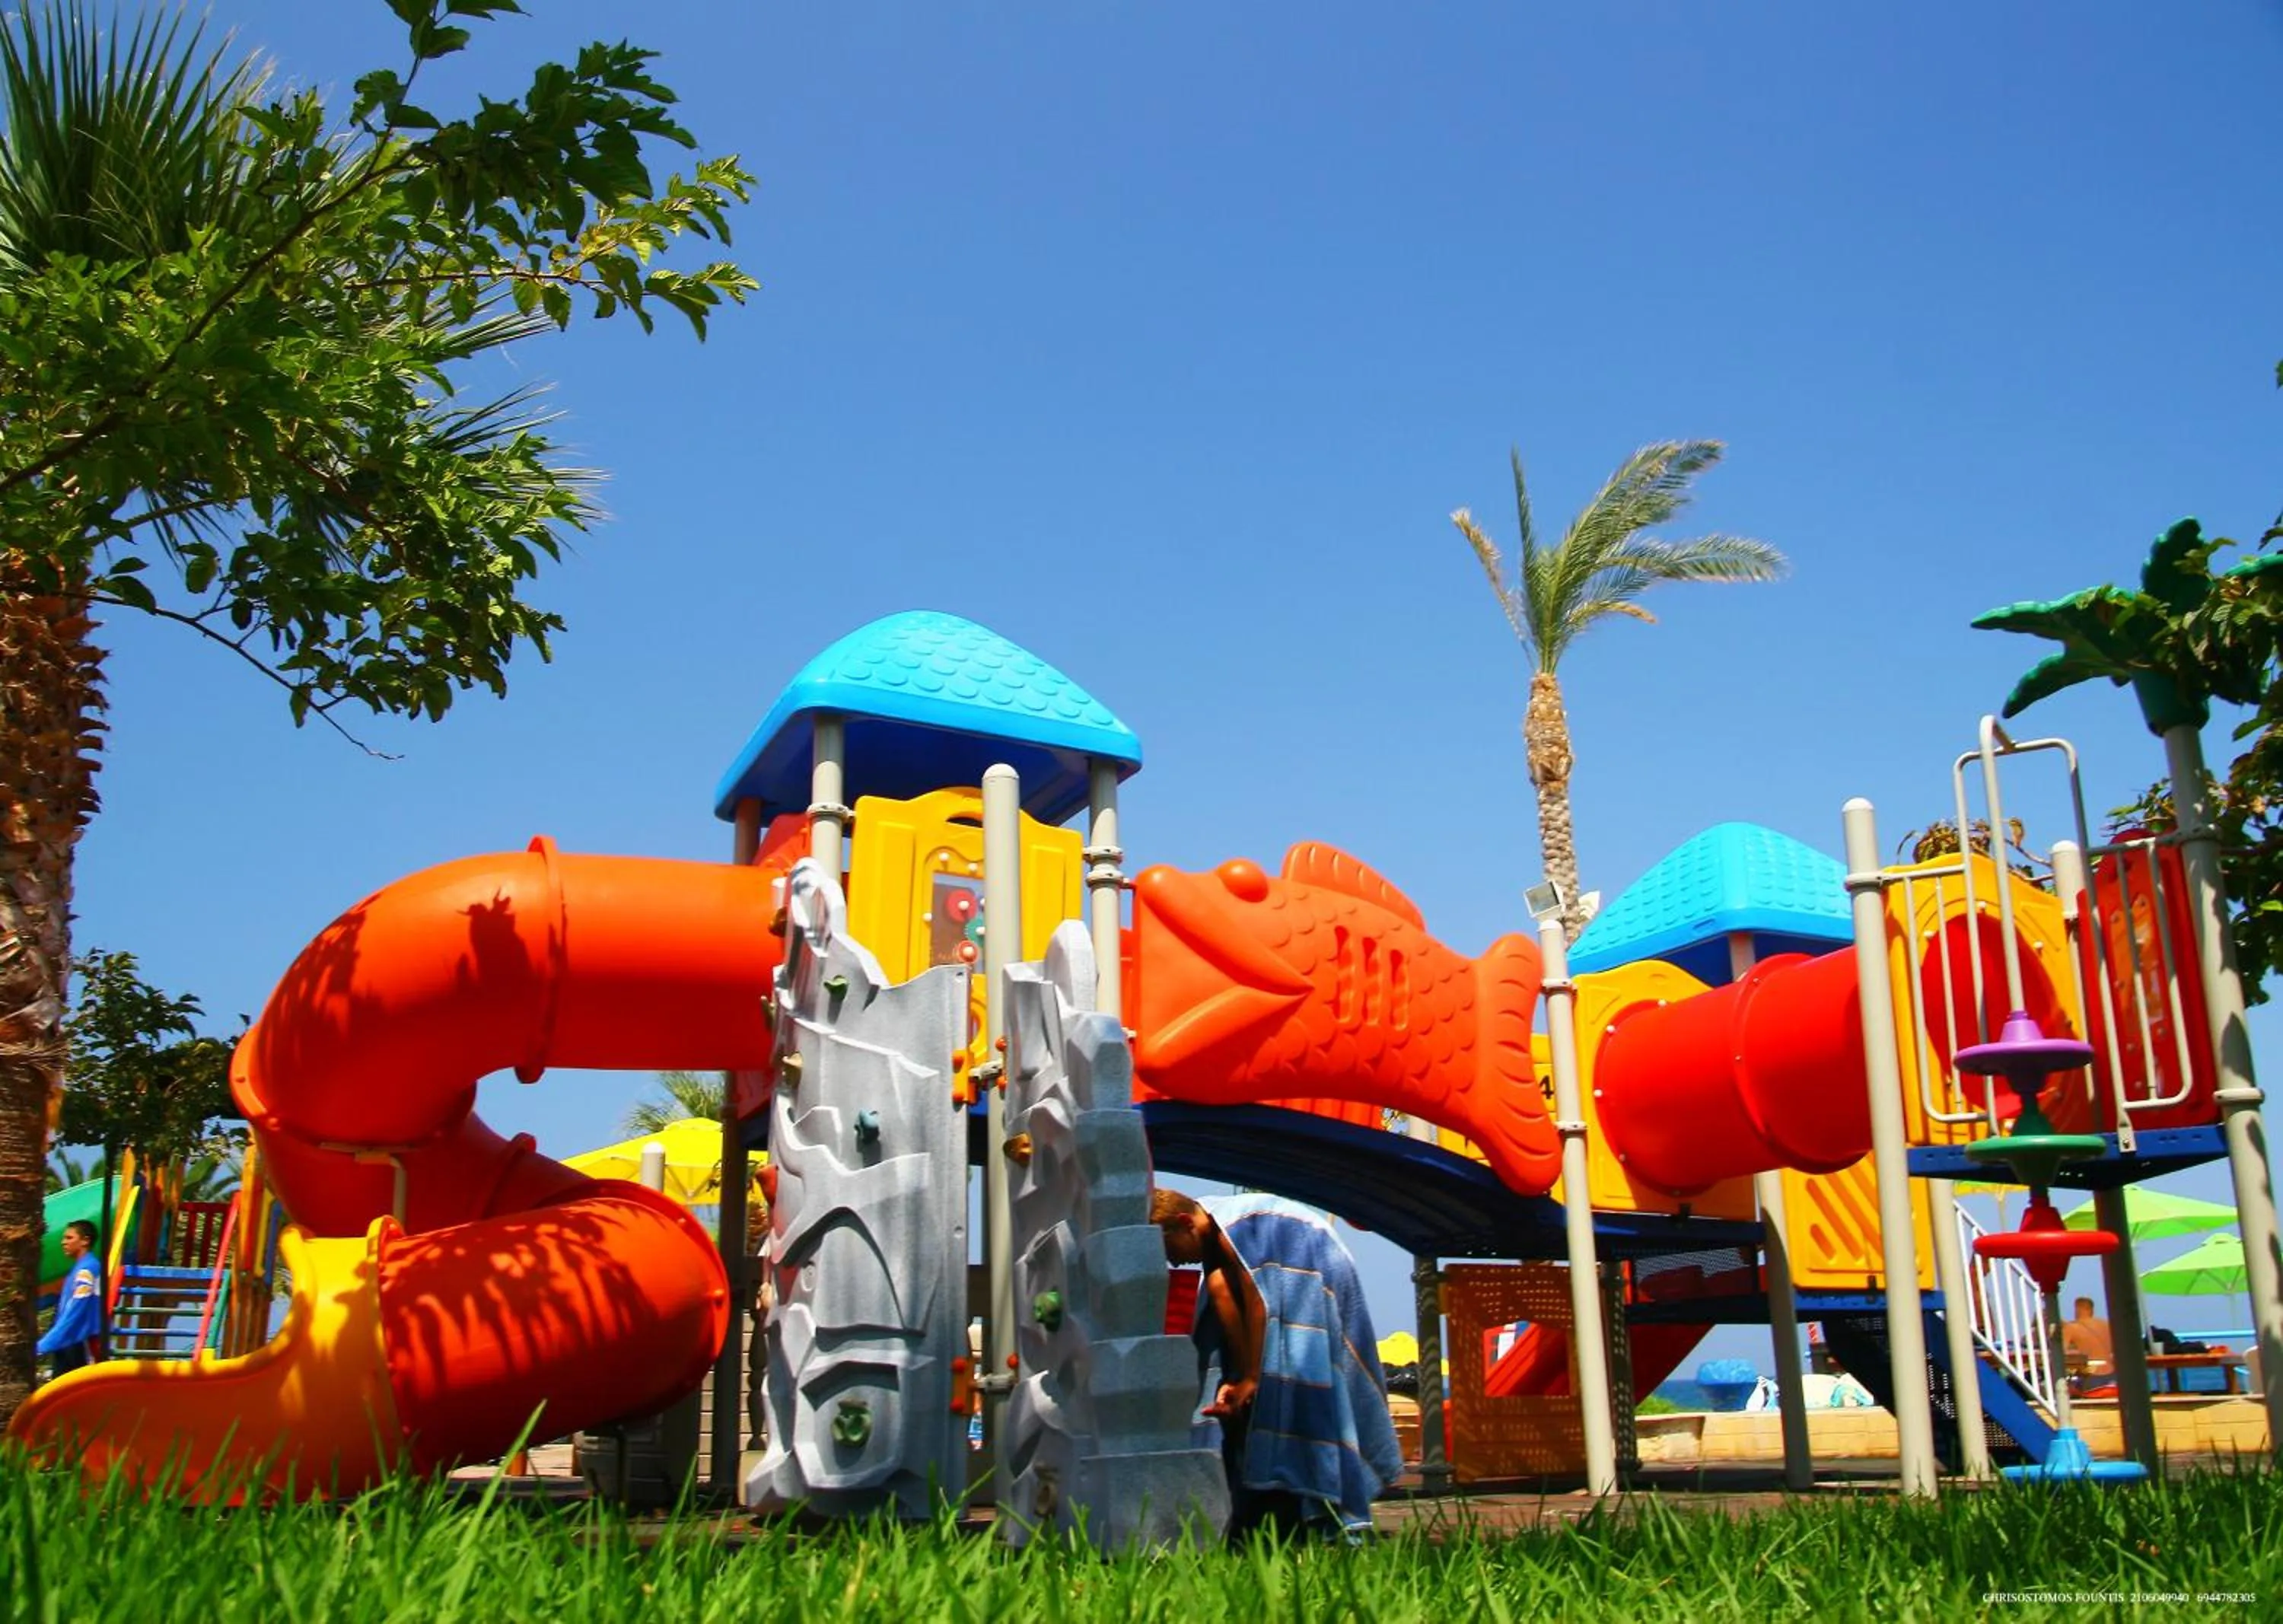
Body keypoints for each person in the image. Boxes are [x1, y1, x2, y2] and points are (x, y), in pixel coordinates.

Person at [1151, 1188, 1402, 1541]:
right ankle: (1252, 1509)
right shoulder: (1213, 1247)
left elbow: (1260, 1300)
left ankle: (1314, 1500)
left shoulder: (1233, 1229)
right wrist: (1238, 1378)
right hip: (1267, 1278)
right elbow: (1223, 1295)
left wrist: (1256, 1377)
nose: (1173, 1263)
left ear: (1184, 1223)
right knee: (1244, 1381)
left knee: (1296, 1377)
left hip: (1307, 1256)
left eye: (1168, 1249)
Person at [37, 1219, 104, 1378]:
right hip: (67, 1340)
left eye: (69, 1238)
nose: (63, 1242)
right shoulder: (79, 1269)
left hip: (78, 1340)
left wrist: (47, 1342)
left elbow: (76, 1309)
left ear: (85, 1241)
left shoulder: (87, 1269)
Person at [2063, 1295, 2115, 1387]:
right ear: (2092, 1310)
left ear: (2077, 1310)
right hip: (2112, 1373)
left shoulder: (2071, 1328)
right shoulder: (2106, 1324)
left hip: (2091, 1375)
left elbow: (2061, 1353)